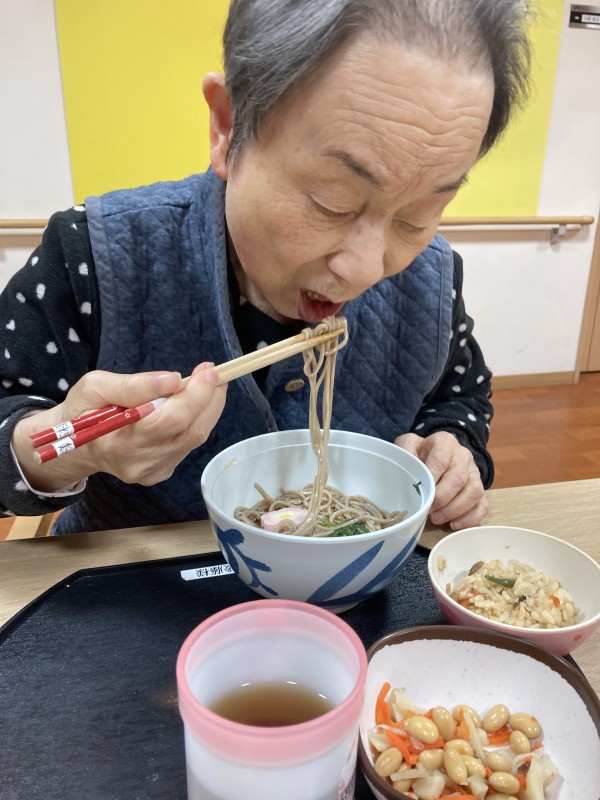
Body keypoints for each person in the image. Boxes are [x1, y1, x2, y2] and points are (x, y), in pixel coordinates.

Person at [0, 0, 531, 535]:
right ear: (228, 128)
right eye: (332, 201)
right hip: (135, 577)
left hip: (357, 577)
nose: (366, 269)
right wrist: (61, 451)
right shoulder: (95, 255)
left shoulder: (432, 280)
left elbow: (459, 396)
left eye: (418, 216)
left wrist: (452, 449)